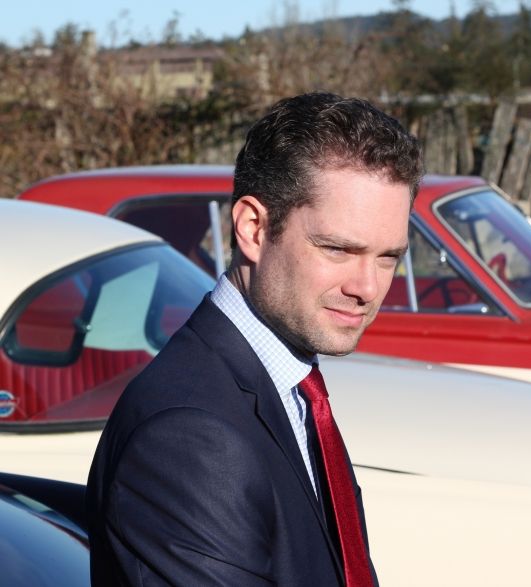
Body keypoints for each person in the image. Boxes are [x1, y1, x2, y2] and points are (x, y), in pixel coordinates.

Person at [86, 92, 424, 586]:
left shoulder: (290, 385)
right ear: (253, 228)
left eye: (388, 257)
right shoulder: (191, 438)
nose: (367, 288)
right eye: (337, 249)